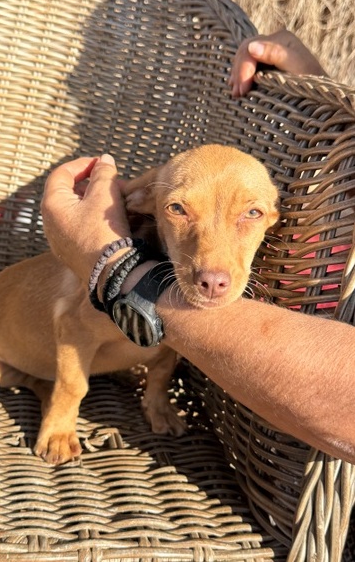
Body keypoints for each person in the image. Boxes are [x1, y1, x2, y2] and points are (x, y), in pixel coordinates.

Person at [40, 31, 355, 464]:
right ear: (141, 201)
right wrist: (319, 89)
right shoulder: (144, 218)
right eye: (179, 209)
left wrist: (117, 268)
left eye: (251, 214)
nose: (212, 267)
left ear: (274, 217)